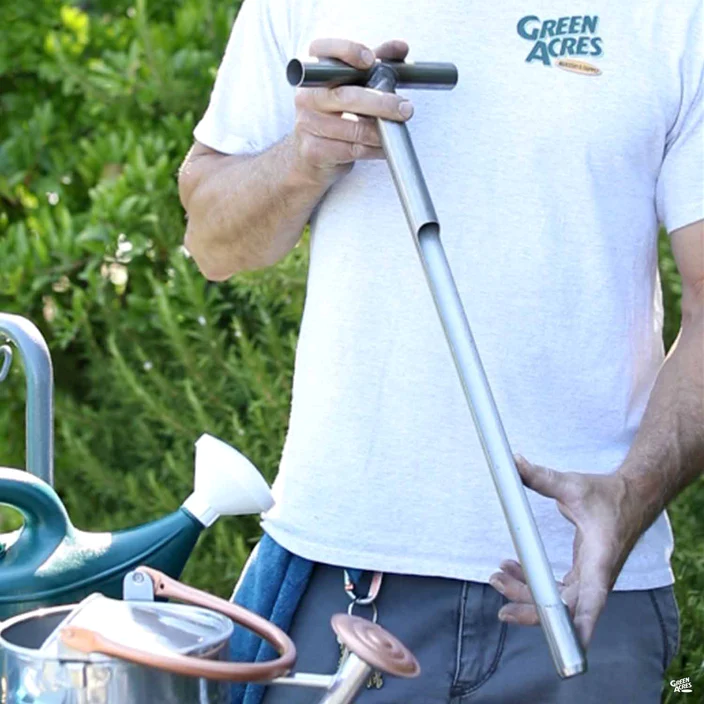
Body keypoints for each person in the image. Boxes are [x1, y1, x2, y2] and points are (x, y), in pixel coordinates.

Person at [178, 1, 704, 701]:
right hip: (346, 583)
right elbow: (212, 240)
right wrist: (301, 159)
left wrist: (630, 497)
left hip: (584, 593)